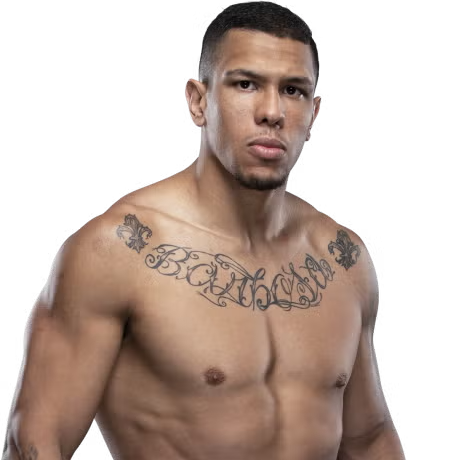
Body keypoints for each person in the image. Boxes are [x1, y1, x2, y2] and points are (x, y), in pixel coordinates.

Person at [2, 2, 405, 459]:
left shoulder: (342, 260)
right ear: (198, 101)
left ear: (313, 114)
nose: (272, 111)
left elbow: (369, 438)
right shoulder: (117, 251)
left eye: (293, 90)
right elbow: (34, 441)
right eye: (246, 84)